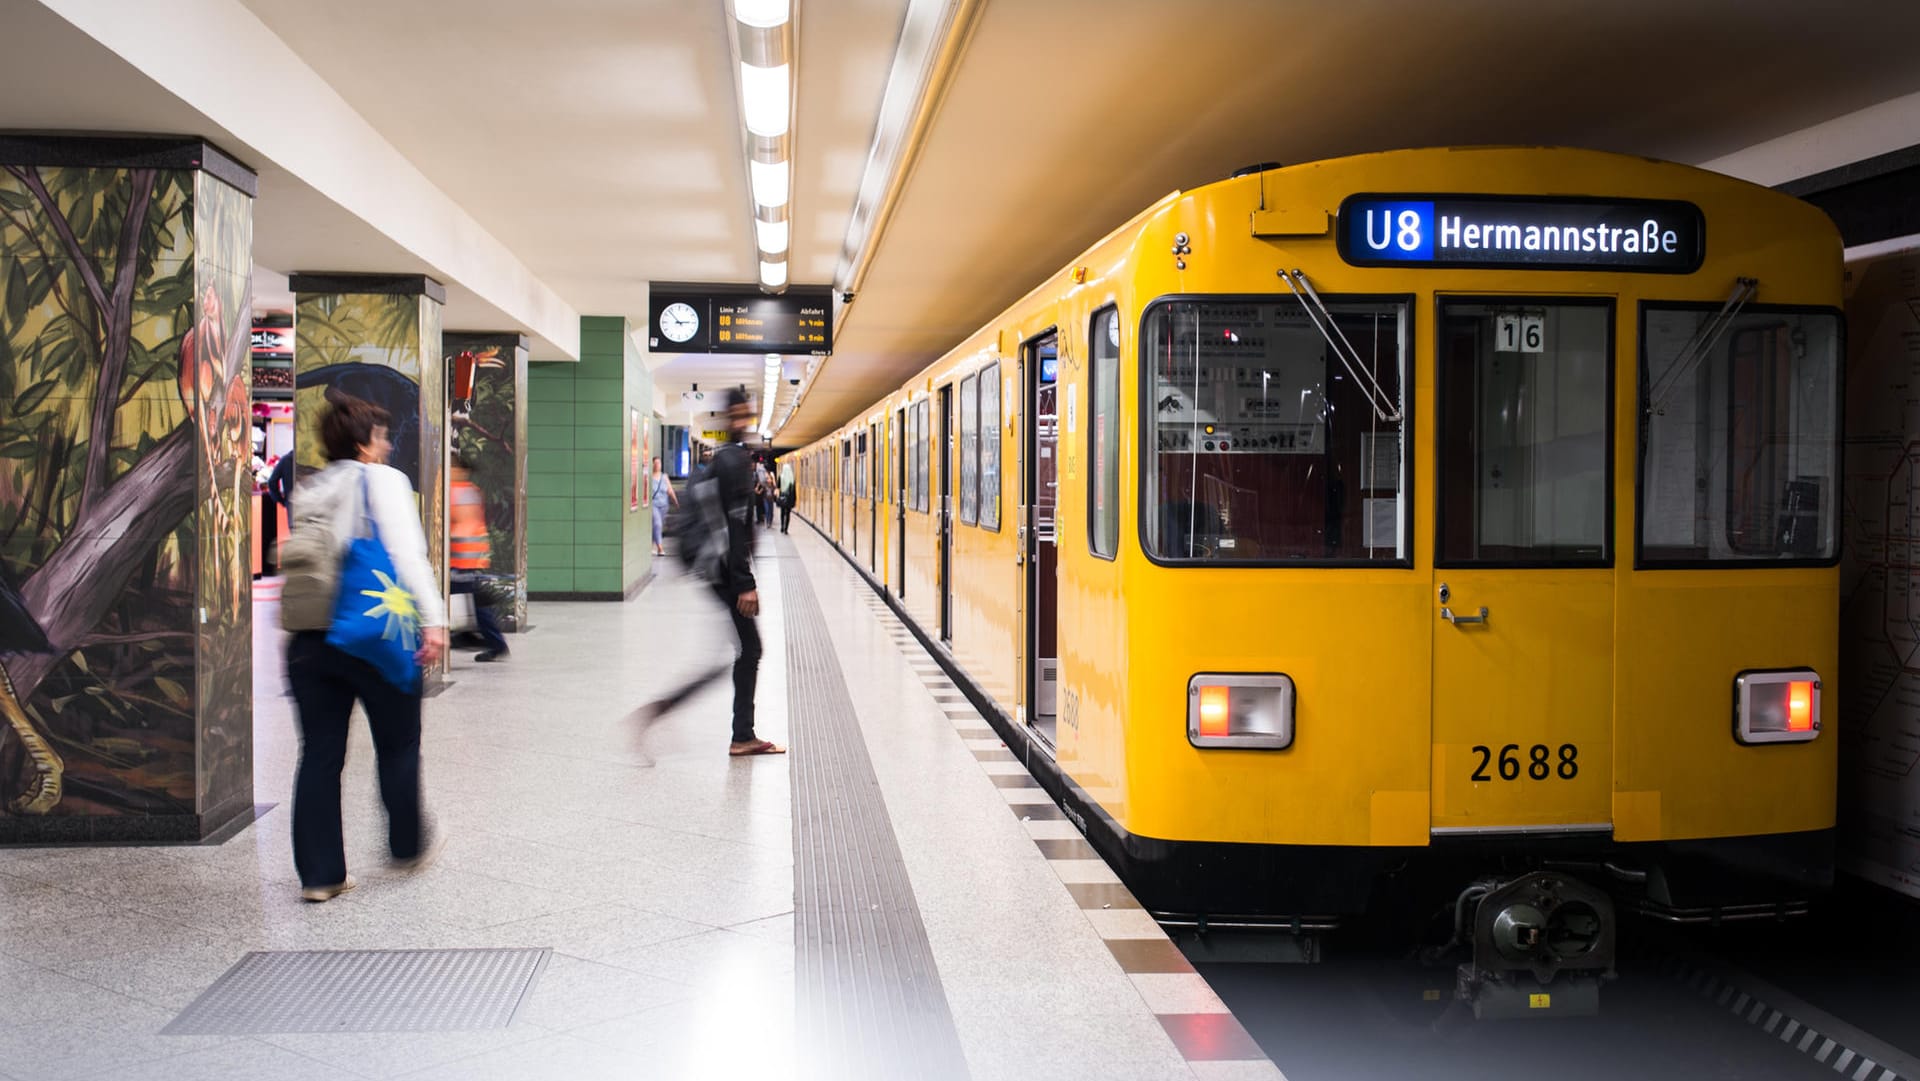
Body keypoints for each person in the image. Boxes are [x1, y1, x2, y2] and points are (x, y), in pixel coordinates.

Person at [283, 396, 448, 902]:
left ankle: (320, 875)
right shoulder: (382, 481)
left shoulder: (309, 488)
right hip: (372, 636)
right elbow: (405, 554)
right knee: (398, 744)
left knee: (319, 755)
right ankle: (406, 846)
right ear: (363, 444)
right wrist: (435, 621)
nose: (388, 444)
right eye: (381, 436)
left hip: (310, 641)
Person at [634, 388, 784, 756]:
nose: (746, 417)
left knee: (742, 650)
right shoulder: (735, 462)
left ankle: (733, 730)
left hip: (717, 570)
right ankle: (737, 734)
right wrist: (745, 584)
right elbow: (732, 526)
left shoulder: (726, 457)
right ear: (737, 414)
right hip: (725, 573)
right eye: (744, 411)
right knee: (749, 649)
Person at [449, 453, 508, 662]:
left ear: (461, 471)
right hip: (467, 559)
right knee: (477, 603)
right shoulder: (467, 491)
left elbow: (465, 525)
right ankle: (489, 641)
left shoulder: (460, 492)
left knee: (472, 601)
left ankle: (475, 638)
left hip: (462, 560)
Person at [263, 450, 293, 575]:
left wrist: (282, 501)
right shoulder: (307, 462)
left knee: (295, 538)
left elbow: (272, 482)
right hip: (312, 505)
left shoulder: (286, 460)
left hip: (292, 505)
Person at [649, 456, 677, 556]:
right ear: (652, 464)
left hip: (664, 506)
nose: (657, 465)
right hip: (653, 505)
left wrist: (675, 502)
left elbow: (670, 490)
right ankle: (660, 548)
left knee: (656, 526)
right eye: (655, 463)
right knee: (657, 524)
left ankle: (650, 545)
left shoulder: (664, 476)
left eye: (659, 463)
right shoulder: (648, 477)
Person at [777, 458, 795, 534]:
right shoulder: (792, 478)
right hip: (789, 499)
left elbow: (778, 488)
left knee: (782, 513)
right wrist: (794, 500)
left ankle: (782, 527)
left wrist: (777, 498)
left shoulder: (780, 477)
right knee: (788, 514)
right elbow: (794, 491)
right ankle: (786, 529)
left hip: (782, 498)